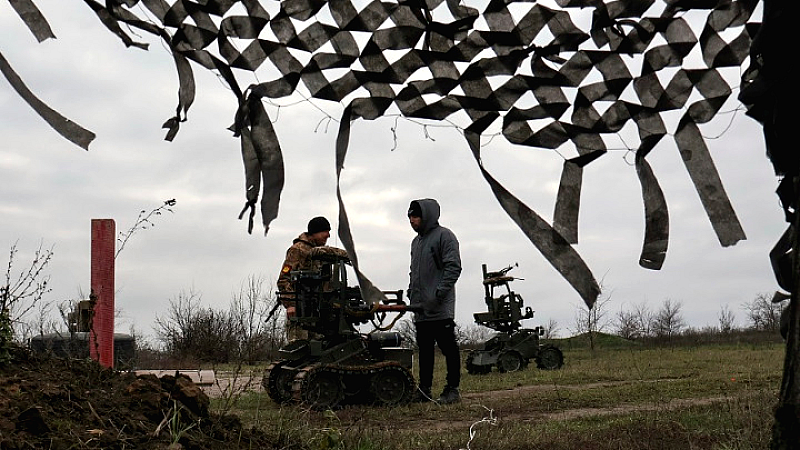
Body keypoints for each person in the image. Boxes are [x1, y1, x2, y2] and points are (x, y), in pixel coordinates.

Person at [407, 198, 463, 404]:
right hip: (421, 308)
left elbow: (453, 267)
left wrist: (438, 295)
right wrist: (412, 291)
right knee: (424, 350)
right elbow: (415, 271)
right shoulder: (416, 242)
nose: (412, 221)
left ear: (426, 216)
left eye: (415, 216)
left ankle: (452, 389)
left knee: (448, 348)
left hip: (440, 308)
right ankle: (424, 389)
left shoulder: (445, 236)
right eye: (410, 217)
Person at [277, 216, 332, 340]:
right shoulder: (297, 250)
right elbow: (284, 279)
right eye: (325, 231)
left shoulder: (322, 253)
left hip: (317, 313)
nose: (328, 235)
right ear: (315, 232)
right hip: (300, 312)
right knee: (299, 349)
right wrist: (291, 304)